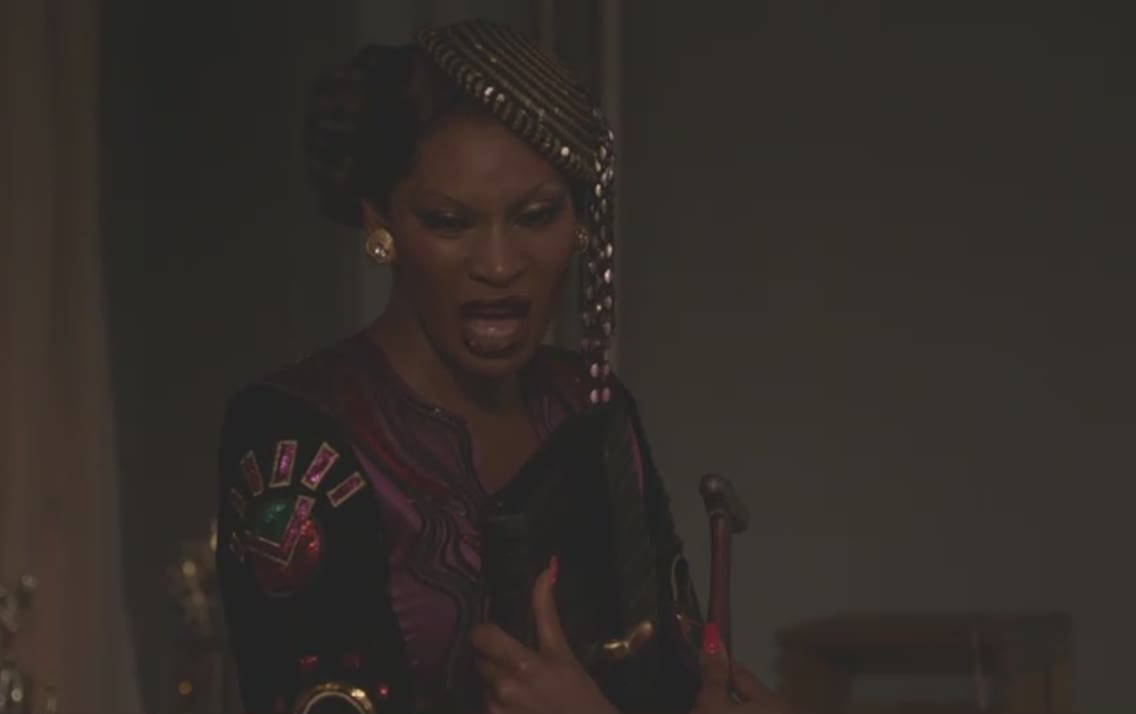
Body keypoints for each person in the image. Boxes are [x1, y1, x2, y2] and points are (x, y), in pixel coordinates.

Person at [215, 19, 792, 714]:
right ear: (381, 223)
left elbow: (671, 677)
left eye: (536, 216)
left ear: (580, 222)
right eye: (449, 222)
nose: (498, 265)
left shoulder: (592, 407)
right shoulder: (299, 439)